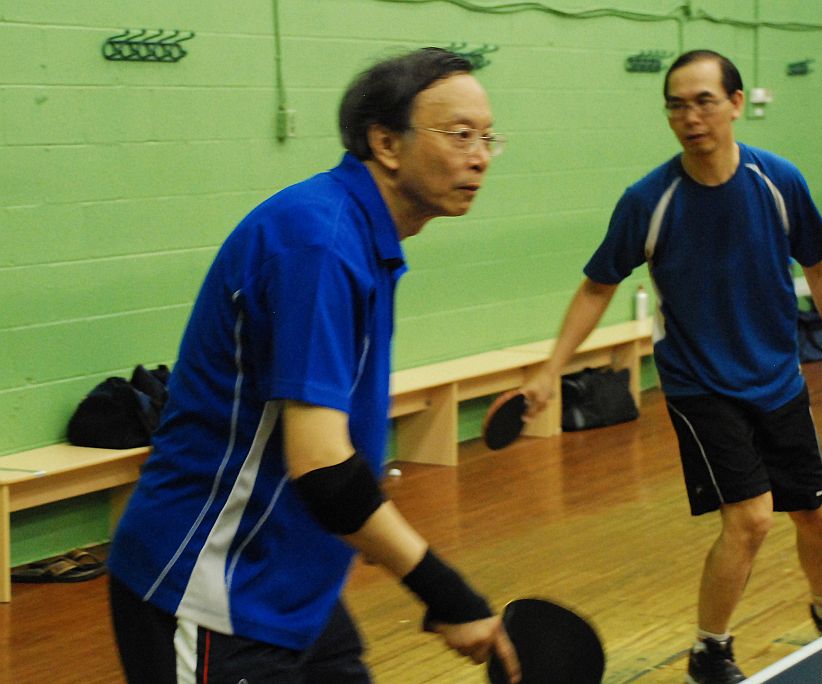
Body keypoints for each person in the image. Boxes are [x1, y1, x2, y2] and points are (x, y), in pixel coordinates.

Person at [107, 48, 520, 684]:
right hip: (211, 583)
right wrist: (447, 593)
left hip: (293, 584)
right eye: (459, 134)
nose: (480, 156)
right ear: (386, 143)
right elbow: (323, 467)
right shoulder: (318, 243)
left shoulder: (360, 237)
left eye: (488, 138)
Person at [520, 49, 822, 684]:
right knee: (751, 517)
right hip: (699, 383)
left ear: (735, 104)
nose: (690, 117)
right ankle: (710, 650)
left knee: (816, 514)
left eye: (704, 102)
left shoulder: (778, 181)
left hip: (777, 376)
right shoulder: (649, 200)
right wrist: (551, 368)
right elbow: (598, 286)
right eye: (676, 106)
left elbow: (820, 269)